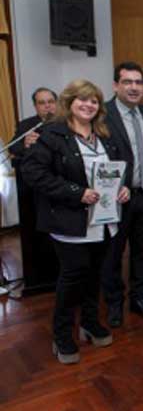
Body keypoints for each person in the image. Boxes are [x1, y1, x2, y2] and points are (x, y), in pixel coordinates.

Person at [22, 79, 130, 364]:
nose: (88, 105)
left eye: (94, 100)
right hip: (71, 224)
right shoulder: (52, 135)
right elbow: (33, 172)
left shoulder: (105, 134)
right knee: (72, 279)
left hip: (105, 221)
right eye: (82, 99)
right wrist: (76, 193)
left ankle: (90, 323)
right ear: (69, 103)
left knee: (95, 275)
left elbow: (118, 170)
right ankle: (61, 334)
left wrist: (123, 188)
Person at [102, 61, 143, 327]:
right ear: (116, 85)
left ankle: (140, 299)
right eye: (127, 82)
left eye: (138, 82)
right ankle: (115, 303)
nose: (134, 87)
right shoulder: (102, 114)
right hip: (117, 199)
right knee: (113, 253)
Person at [8, 87, 58, 293]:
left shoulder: (67, 122)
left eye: (50, 101)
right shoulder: (27, 125)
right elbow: (13, 148)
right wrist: (24, 144)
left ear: (56, 103)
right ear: (36, 106)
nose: (47, 106)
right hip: (34, 192)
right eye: (41, 102)